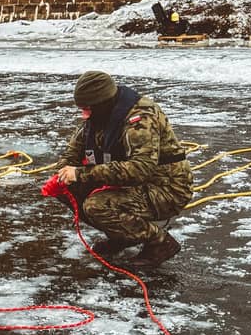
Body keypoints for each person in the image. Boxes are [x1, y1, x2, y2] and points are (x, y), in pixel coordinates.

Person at [52, 71, 193, 270]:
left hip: (165, 187)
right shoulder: (96, 119)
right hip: (128, 184)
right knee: (67, 189)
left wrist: (81, 174)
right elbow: (71, 154)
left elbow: (140, 169)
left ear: (102, 103)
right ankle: (122, 235)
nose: (84, 115)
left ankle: (160, 242)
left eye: (87, 109)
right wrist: (63, 173)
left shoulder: (140, 119)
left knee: (96, 205)